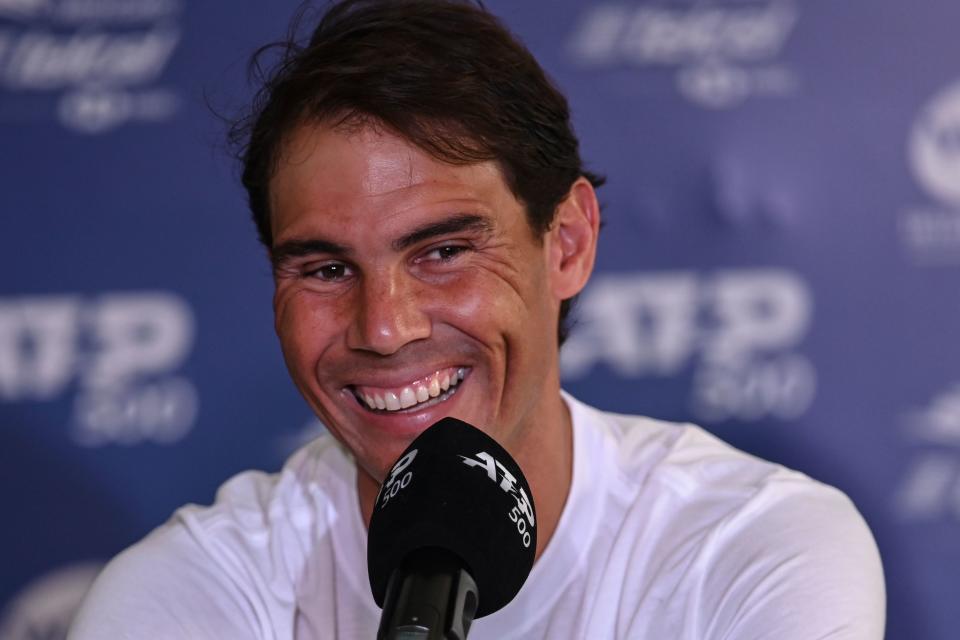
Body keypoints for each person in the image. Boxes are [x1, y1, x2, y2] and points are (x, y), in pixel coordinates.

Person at [69, 1, 885, 638]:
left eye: (443, 252)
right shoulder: (189, 594)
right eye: (325, 269)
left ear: (565, 242)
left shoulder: (752, 549)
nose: (383, 329)